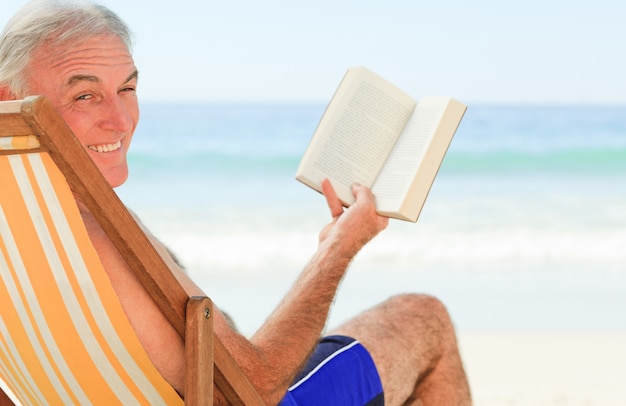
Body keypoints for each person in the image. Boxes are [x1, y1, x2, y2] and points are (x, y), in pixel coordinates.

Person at [0, 1, 471, 405]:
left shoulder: (18, 223)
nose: (121, 120)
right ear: (9, 98)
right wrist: (338, 247)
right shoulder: (95, 231)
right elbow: (256, 387)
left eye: (127, 88)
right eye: (85, 95)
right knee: (422, 316)